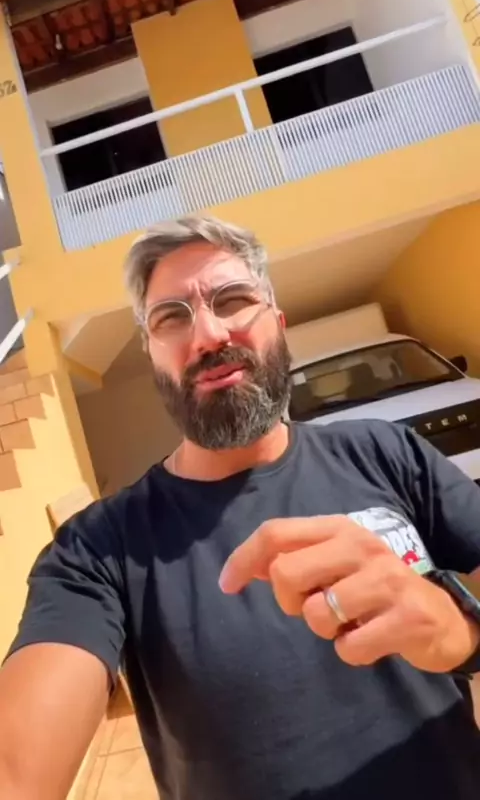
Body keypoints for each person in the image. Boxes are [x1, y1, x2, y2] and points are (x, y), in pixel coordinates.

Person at [1, 216, 480, 800]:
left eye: (232, 299)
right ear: (151, 354)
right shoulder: (98, 551)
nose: (208, 334)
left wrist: (459, 625)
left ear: (277, 322)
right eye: (171, 317)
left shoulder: (386, 452)